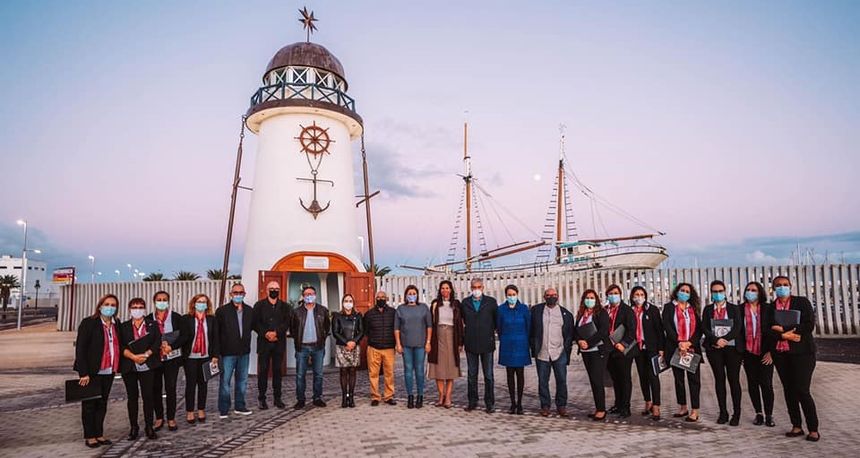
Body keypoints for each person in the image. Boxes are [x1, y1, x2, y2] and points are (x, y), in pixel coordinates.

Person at [767, 276, 820, 442]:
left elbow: (809, 324)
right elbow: (767, 329)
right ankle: (796, 425)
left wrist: (783, 330)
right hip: (781, 355)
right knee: (789, 391)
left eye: (785, 285)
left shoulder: (801, 302)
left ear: (790, 286)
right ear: (773, 288)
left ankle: (813, 429)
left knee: (802, 390)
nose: (782, 288)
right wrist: (783, 335)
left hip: (803, 354)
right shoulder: (770, 308)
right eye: (778, 285)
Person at [74, 294, 121, 448]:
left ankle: (99, 433)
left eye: (113, 305)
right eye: (107, 304)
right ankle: (90, 436)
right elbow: (81, 349)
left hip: (109, 370)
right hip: (92, 371)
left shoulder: (116, 324)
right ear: (100, 306)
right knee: (89, 404)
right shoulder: (89, 323)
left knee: (102, 403)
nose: (110, 307)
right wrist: (83, 372)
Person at [702, 280, 744, 426]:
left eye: (720, 291)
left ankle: (736, 413)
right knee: (719, 380)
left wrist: (724, 339)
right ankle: (723, 412)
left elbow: (738, 326)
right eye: (715, 291)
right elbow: (705, 327)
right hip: (715, 349)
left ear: (725, 292)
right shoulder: (708, 309)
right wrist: (716, 340)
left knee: (734, 380)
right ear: (711, 293)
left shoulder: (734, 308)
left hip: (732, 349)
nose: (718, 294)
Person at [119, 297, 162, 440]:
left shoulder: (152, 324)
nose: (137, 309)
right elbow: (121, 346)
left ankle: (149, 426)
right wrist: (133, 357)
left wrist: (147, 354)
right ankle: (134, 427)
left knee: (148, 397)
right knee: (132, 398)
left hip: (148, 365)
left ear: (144, 309)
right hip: (129, 366)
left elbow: (157, 342)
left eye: (140, 307)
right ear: (129, 309)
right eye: (134, 307)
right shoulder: (123, 326)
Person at [530, 287, 574, 417]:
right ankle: (545, 405)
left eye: (554, 295)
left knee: (561, 380)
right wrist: (533, 346)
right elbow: (531, 330)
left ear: (558, 296)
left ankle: (561, 405)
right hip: (542, 352)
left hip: (559, 352)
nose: (551, 297)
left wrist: (566, 349)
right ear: (544, 297)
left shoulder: (565, 314)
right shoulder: (536, 311)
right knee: (543, 381)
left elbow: (569, 334)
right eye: (548, 295)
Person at [662, 282, 703, 423]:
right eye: (682, 290)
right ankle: (683, 407)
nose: (684, 293)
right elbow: (667, 326)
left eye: (687, 291)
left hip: (691, 348)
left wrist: (689, 343)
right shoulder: (669, 307)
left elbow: (699, 329)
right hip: (676, 348)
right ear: (677, 291)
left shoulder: (694, 309)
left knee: (694, 380)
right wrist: (679, 342)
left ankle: (695, 410)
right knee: (679, 380)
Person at [149, 290, 187, 432]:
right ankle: (159, 417)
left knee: (171, 388)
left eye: (164, 299)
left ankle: (171, 418)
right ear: (154, 301)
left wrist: (171, 346)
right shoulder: (149, 319)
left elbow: (183, 336)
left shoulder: (176, 318)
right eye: (159, 299)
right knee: (155, 388)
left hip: (172, 359)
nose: (162, 301)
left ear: (168, 301)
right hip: (155, 359)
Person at [740, 281, 776, 427]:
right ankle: (759, 413)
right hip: (748, 353)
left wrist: (772, 352)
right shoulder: (740, 309)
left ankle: (769, 414)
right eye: (748, 289)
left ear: (760, 292)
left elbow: (775, 331)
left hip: (765, 352)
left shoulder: (768, 309)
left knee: (766, 384)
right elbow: (738, 331)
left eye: (754, 290)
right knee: (752, 384)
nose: (750, 292)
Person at [216, 283, 254, 418]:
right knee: (225, 381)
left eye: (240, 292)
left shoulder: (250, 310)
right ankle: (224, 408)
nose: (238, 295)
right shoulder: (222, 311)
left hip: (244, 352)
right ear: (231, 294)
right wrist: (216, 353)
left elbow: (256, 327)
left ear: (244, 294)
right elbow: (216, 333)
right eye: (235, 292)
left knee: (242, 381)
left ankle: (240, 406)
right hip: (227, 353)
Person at [461, 278, 498, 413]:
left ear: (483, 288)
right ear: (471, 288)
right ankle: (472, 401)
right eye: (474, 287)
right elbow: (463, 321)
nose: (476, 289)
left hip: (487, 343)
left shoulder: (491, 302)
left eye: (479, 287)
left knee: (488, 375)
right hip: (471, 343)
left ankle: (489, 403)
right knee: (472, 374)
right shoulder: (465, 303)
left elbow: (495, 321)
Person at [252, 281, 291, 410]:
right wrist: (265, 333)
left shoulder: (285, 306)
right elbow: (255, 323)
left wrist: (276, 333)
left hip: (278, 343)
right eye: (272, 288)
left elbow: (287, 323)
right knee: (263, 371)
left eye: (276, 288)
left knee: (277, 371)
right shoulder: (259, 306)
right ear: (267, 290)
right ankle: (262, 399)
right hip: (264, 344)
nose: (274, 290)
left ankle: (277, 398)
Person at [290, 285, 331, 409]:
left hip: (318, 347)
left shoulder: (323, 310)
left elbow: (326, 327)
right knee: (300, 375)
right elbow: (292, 329)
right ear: (303, 296)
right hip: (302, 347)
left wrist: (322, 340)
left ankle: (317, 398)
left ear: (315, 295)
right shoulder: (296, 312)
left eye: (311, 294)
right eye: (307, 294)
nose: (309, 296)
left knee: (318, 374)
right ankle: (300, 399)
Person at [182, 293, 220, 424]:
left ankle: (201, 409)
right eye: (199, 301)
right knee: (190, 385)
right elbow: (182, 338)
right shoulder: (186, 319)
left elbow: (215, 339)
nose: (201, 304)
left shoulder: (212, 319)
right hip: (190, 357)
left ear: (207, 305)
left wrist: (215, 355)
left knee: (203, 384)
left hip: (206, 357)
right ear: (194, 304)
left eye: (204, 302)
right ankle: (190, 411)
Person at [629, 286, 665, 421]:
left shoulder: (652, 310)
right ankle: (647, 402)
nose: (639, 297)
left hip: (651, 347)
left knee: (653, 376)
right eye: (636, 294)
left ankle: (656, 405)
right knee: (642, 376)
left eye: (641, 294)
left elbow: (659, 330)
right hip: (637, 348)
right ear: (632, 296)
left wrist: (661, 348)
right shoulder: (630, 311)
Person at [575, 289, 610, 421]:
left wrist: (588, 343)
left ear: (596, 299)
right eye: (587, 297)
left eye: (592, 297)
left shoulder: (601, 313)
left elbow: (603, 331)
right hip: (585, 352)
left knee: (597, 380)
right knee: (592, 380)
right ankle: (597, 407)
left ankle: (602, 409)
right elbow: (576, 330)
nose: (589, 300)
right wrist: (579, 341)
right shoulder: (581, 314)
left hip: (597, 351)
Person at [395, 285, 433, 409]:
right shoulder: (400, 309)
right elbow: (396, 328)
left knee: (420, 370)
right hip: (406, 345)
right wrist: (398, 344)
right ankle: (410, 396)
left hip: (420, 345)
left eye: (414, 293)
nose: (412, 295)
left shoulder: (423, 308)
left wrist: (428, 342)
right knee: (408, 370)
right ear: (406, 295)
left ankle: (420, 396)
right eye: (409, 293)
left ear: (417, 295)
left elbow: (429, 326)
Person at [428, 280, 464, 409]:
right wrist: (428, 341)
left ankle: (448, 397)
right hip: (437, 338)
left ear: (451, 290)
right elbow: (430, 324)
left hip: (452, 337)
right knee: (438, 368)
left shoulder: (456, 304)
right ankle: (441, 396)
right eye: (442, 288)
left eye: (447, 288)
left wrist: (460, 342)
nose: (445, 290)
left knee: (450, 369)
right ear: (440, 290)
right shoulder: (435, 304)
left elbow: (460, 324)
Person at [497, 284, 531, 415]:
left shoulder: (523, 309)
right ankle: (512, 403)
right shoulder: (501, 310)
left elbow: (529, 326)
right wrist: (505, 337)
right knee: (509, 375)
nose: (512, 297)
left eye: (513, 294)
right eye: (509, 295)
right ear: (506, 296)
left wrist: (525, 340)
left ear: (517, 294)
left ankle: (520, 403)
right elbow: (499, 328)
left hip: (521, 344)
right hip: (507, 344)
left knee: (520, 374)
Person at [604, 284, 637, 418]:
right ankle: (618, 404)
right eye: (611, 293)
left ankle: (626, 407)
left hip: (623, 349)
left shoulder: (627, 310)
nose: (613, 295)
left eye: (616, 293)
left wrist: (623, 344)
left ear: (620, 295)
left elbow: (632, 330)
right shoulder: (605, 310)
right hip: (609, 349)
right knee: (615, 378)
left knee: (624, 378)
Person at [364, 290, 397, 406]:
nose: (381, 299)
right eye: (378, 297)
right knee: (373, 374)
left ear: (386, 299)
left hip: (389, 348)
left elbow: (396, 329)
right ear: (375, 299)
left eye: (383, 297)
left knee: (389, 373)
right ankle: (375, 396)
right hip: (374, 348)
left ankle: (389, 396)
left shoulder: (393, 313)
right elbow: (366, 330)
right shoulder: (369, 314)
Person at [331, 293, 364, 408]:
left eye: (350, 301)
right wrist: (346, 342)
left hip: (355, 346)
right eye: (346, 300)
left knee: (353, 371)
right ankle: (344, 397)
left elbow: (361, 331)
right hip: (341, 346)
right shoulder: (337, 316)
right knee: (343, 371)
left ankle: (352, 397)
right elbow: (335, 332)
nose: (348, 303)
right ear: (342, 302)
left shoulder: (358, 316)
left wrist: (353, 341)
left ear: (353, 303)